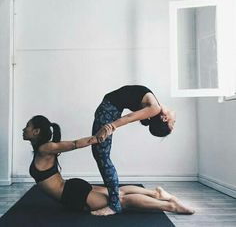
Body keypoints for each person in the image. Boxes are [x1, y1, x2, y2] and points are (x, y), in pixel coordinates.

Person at [23, 115, 194, 216]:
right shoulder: (43, 149)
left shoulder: (46, 148)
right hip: (71, 187)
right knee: (118, 192)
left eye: (27, 127)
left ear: (36, 131)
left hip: (72, 194)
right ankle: (156, 193)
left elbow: (75, 144)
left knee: (121, 201)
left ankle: (171, 206)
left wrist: (97, 138)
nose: (24, 129)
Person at [91, 85, 176, 215]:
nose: (174, 123)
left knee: (102, 157)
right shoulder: (157, 107)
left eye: (172, 124)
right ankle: (116, 201)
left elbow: (129, 118)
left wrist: (109, 126)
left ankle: (114, 205)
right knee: (100, 156)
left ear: (164, 118)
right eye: (173, 124)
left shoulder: (155, 108)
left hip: (107, 111)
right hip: (107, 110)